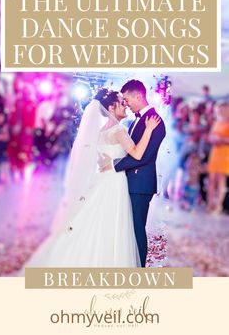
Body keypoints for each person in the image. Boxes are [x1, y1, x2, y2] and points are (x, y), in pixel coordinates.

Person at [18, 88, 161, 271]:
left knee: (95, 223)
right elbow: (138, 154)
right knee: (112, 226)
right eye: (121, 101)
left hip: (101, 181)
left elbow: (102, 158)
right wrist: (148, 130)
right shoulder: (119, 130)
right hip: (114, 184)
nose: (125, 105)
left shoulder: (101, 132)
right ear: (111, 107)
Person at [100, 80, 166, 267]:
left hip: (141, 184)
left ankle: (139, 270)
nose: (125, 102)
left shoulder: (156, 122)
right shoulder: (135, 121)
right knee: (128, 228)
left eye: (127, 98)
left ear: (138, 96)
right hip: (129, 182)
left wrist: (114, 164)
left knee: (137, 229)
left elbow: (143, 157)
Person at [207, 101, 229, 214]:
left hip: (225, 153)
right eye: (219, 109)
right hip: (215, 152)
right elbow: (210, 136)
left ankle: (218, 206)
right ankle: (210, 204)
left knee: (221, 180)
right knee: (211, 180)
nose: (220, 111)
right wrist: (213, 139)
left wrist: (221, 139)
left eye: (223, 109)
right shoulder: (217, 122)